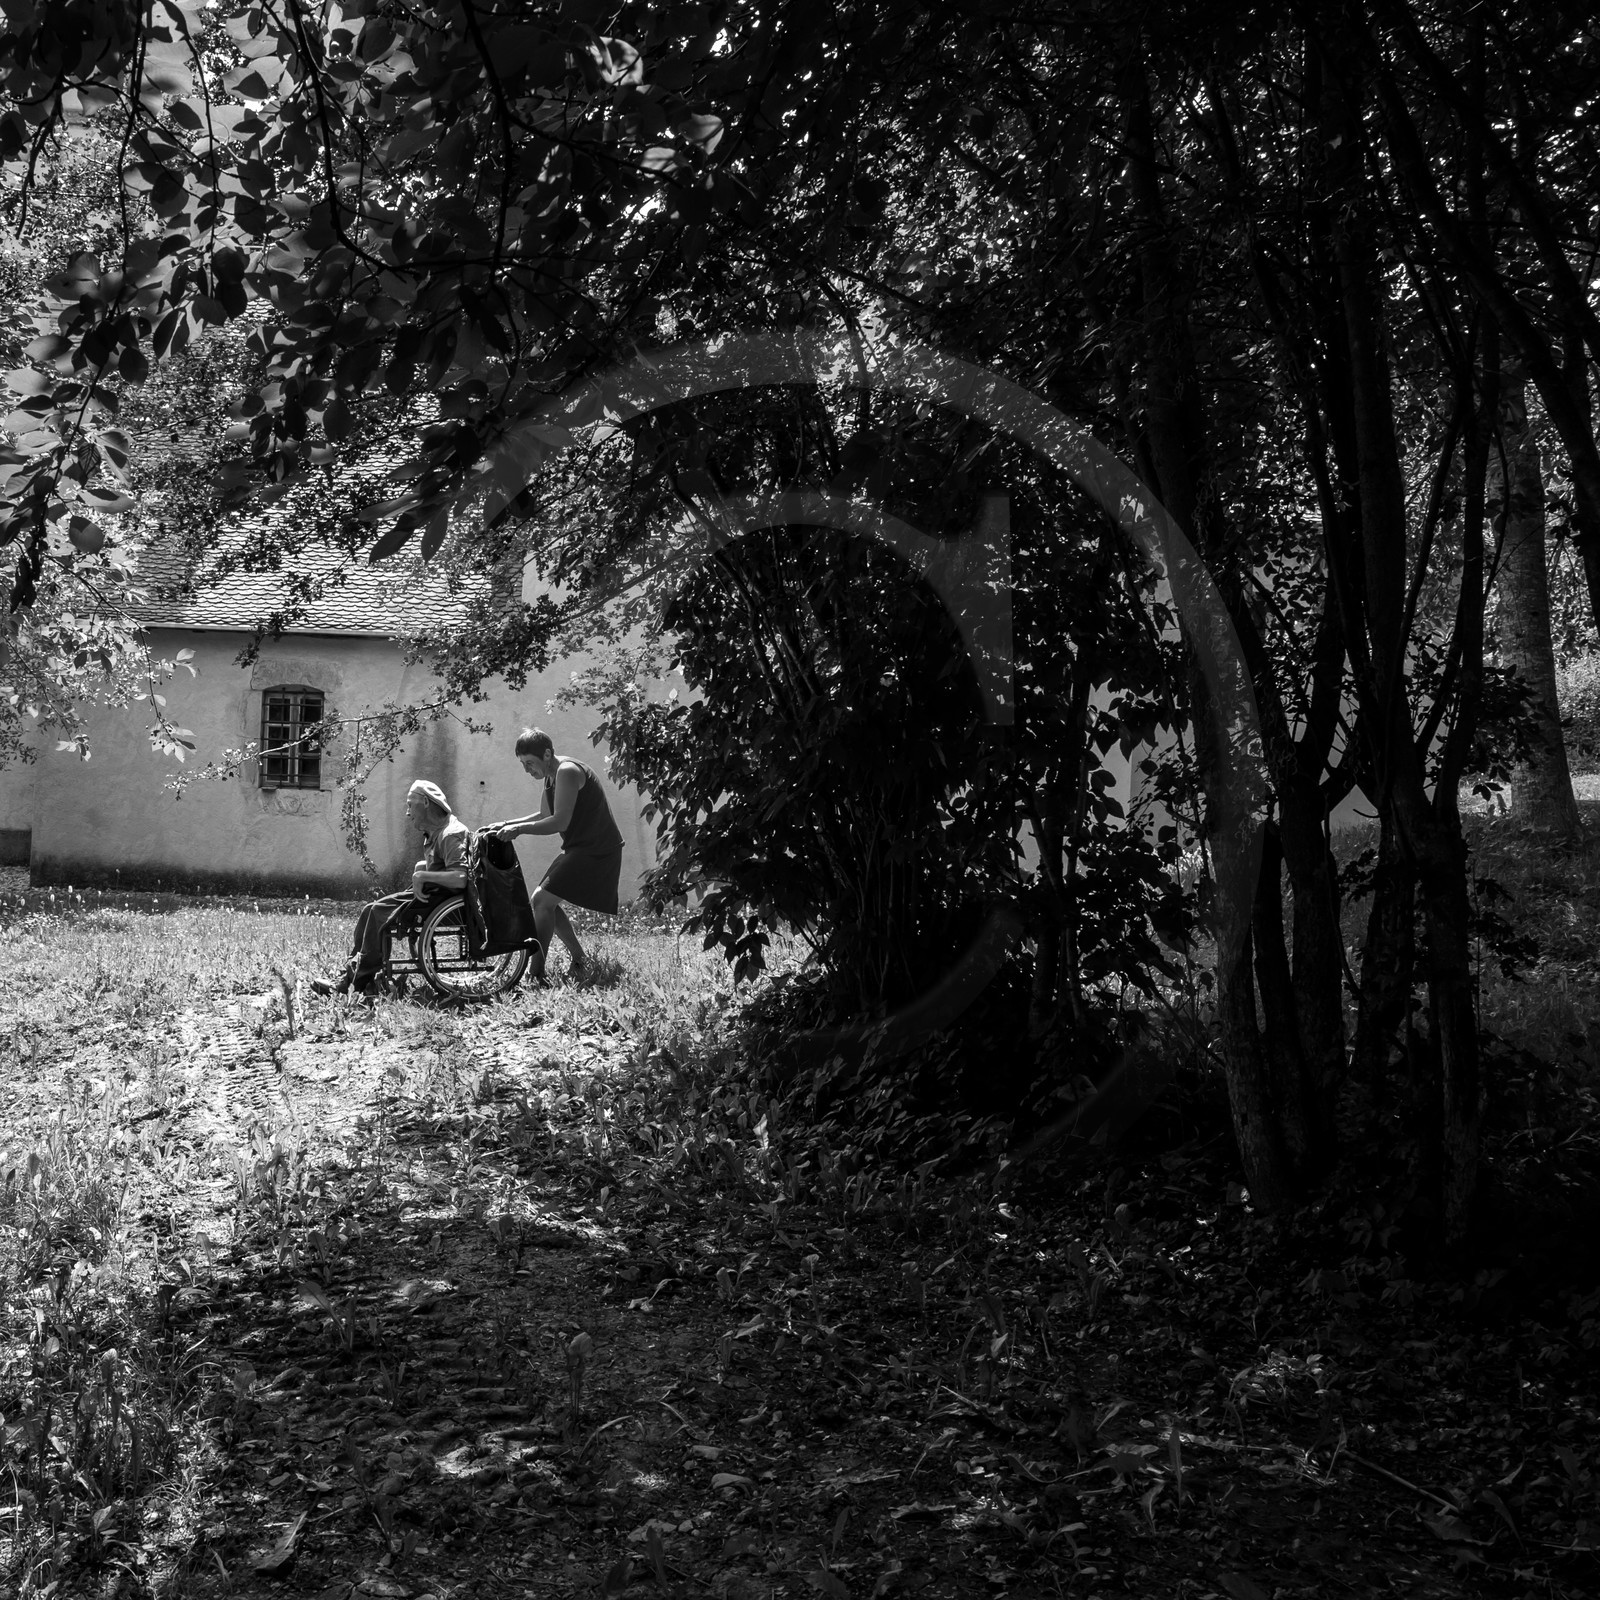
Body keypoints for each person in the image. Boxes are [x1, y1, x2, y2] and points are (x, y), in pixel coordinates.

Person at [484, 727, 623, 978]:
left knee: (541, 901)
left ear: (547, 754)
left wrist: (518, 829)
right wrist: (506, 824)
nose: (527, 770)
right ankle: (579, 958)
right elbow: (544, 814)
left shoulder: (567, 771)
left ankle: (536, 973)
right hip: (579, 847)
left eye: (530, 763)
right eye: (523, 764)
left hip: (597, 849)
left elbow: (560, 822)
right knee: (544, 902)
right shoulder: (550, 776)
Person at [312, 779, 468, 996]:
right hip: (431, 897)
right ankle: (353, 975)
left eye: (410, 804)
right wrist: (423, 869)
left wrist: (422, 875)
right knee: (369, 910)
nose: (407, 812)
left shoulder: (451, 834)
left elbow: (461, 877)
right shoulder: (438, 831)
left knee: (377, 913)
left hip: (438, 902)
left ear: (425, 802)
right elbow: (442, 865)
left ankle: (354, 982)